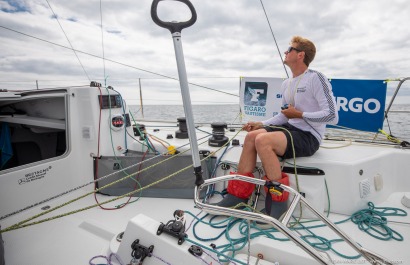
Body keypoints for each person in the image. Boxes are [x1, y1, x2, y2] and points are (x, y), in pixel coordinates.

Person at [217, 36, 339, 218]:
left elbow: (332, 115)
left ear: (300, 55)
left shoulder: (316, 78)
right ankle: (238, 195)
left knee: (262, 140)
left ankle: (278, 202)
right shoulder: (286, 84)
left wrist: (300, 115)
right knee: (252, 136)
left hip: (309, 136)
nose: (285, 52)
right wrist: (261, 124)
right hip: (291, 130)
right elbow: (284, 116)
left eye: (290, 49)